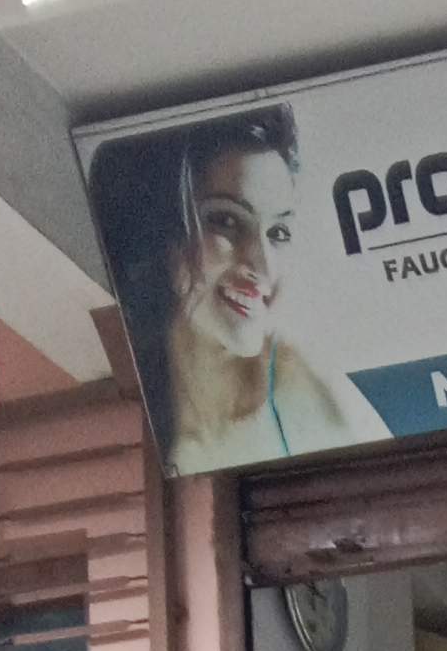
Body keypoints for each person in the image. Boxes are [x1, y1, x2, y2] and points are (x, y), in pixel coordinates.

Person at [103, 106, 358, 474]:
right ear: (165, 233)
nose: (264, 268)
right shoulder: (127, 398)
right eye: (226, 221)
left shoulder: (304, 396)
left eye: (278, 232)